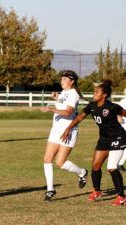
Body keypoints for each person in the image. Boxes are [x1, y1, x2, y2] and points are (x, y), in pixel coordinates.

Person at [61, 80, 126, 205]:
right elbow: (79, 117)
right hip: (104, 139)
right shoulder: (92, 106)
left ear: (104, 95)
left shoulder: (112, 107)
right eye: (94, 92)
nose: (94, 94)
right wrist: (67, 129)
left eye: (97, 92)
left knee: (111, 167)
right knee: (95, 166)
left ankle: (121, 197)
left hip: (118, 138)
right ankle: (97, 191)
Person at [41, 70, 88, 202]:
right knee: (47, 159)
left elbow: (68, 112)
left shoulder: (73, 94)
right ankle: (50, 189)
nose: (62, 81)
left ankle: (82, 172)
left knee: (60, 163)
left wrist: (51, 109)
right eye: (61, 79)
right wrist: (57, 98)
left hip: (68, 131)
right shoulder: (64, 93)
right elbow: (63, 104)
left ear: (72, 82)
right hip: (56, 130)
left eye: (65, 79)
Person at [117, 97, 126, 171]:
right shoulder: (123, 101)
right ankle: (119, 163)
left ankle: (119, 163)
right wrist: (119, 117)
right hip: (124, 126)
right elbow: (116, 111)